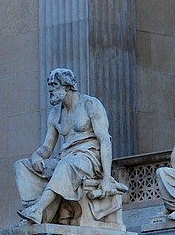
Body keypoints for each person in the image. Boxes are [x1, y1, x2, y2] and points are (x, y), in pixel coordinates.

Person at [14, 68, 120, 225]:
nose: (50, 89)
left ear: (68, 86)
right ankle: (34, 213)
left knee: (65, 166)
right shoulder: (55, 113)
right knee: (21, 166)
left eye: (55, 85)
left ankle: (38, 210)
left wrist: (106, 178)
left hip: (89, 158)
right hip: (67, 158)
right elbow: (47, 147)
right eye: (49, 85)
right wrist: (37, 155)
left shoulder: (90, 105)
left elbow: (105, 141)